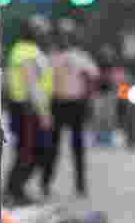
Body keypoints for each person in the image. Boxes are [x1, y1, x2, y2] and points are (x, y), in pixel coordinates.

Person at [42, 17, 98, 198]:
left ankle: (80, 185)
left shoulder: (80, 56)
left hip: (76, 104)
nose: (64, 38)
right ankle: (46, 183)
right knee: (53, 147)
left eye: (68, 35)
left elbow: (93, 76)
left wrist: (87, 97)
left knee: (77, 147)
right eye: (61, 35)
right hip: (57, 103)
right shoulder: (50, 57)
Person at [4, 15, 53, 206]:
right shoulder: (26, 52)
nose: (45, 34)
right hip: (27, 108)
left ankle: (16, 189)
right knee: (29, 151)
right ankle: (14, 191)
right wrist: (43, 113)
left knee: (31, 150)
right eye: (42, 31)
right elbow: (32, 84)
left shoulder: (28, 50)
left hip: (27, 107)